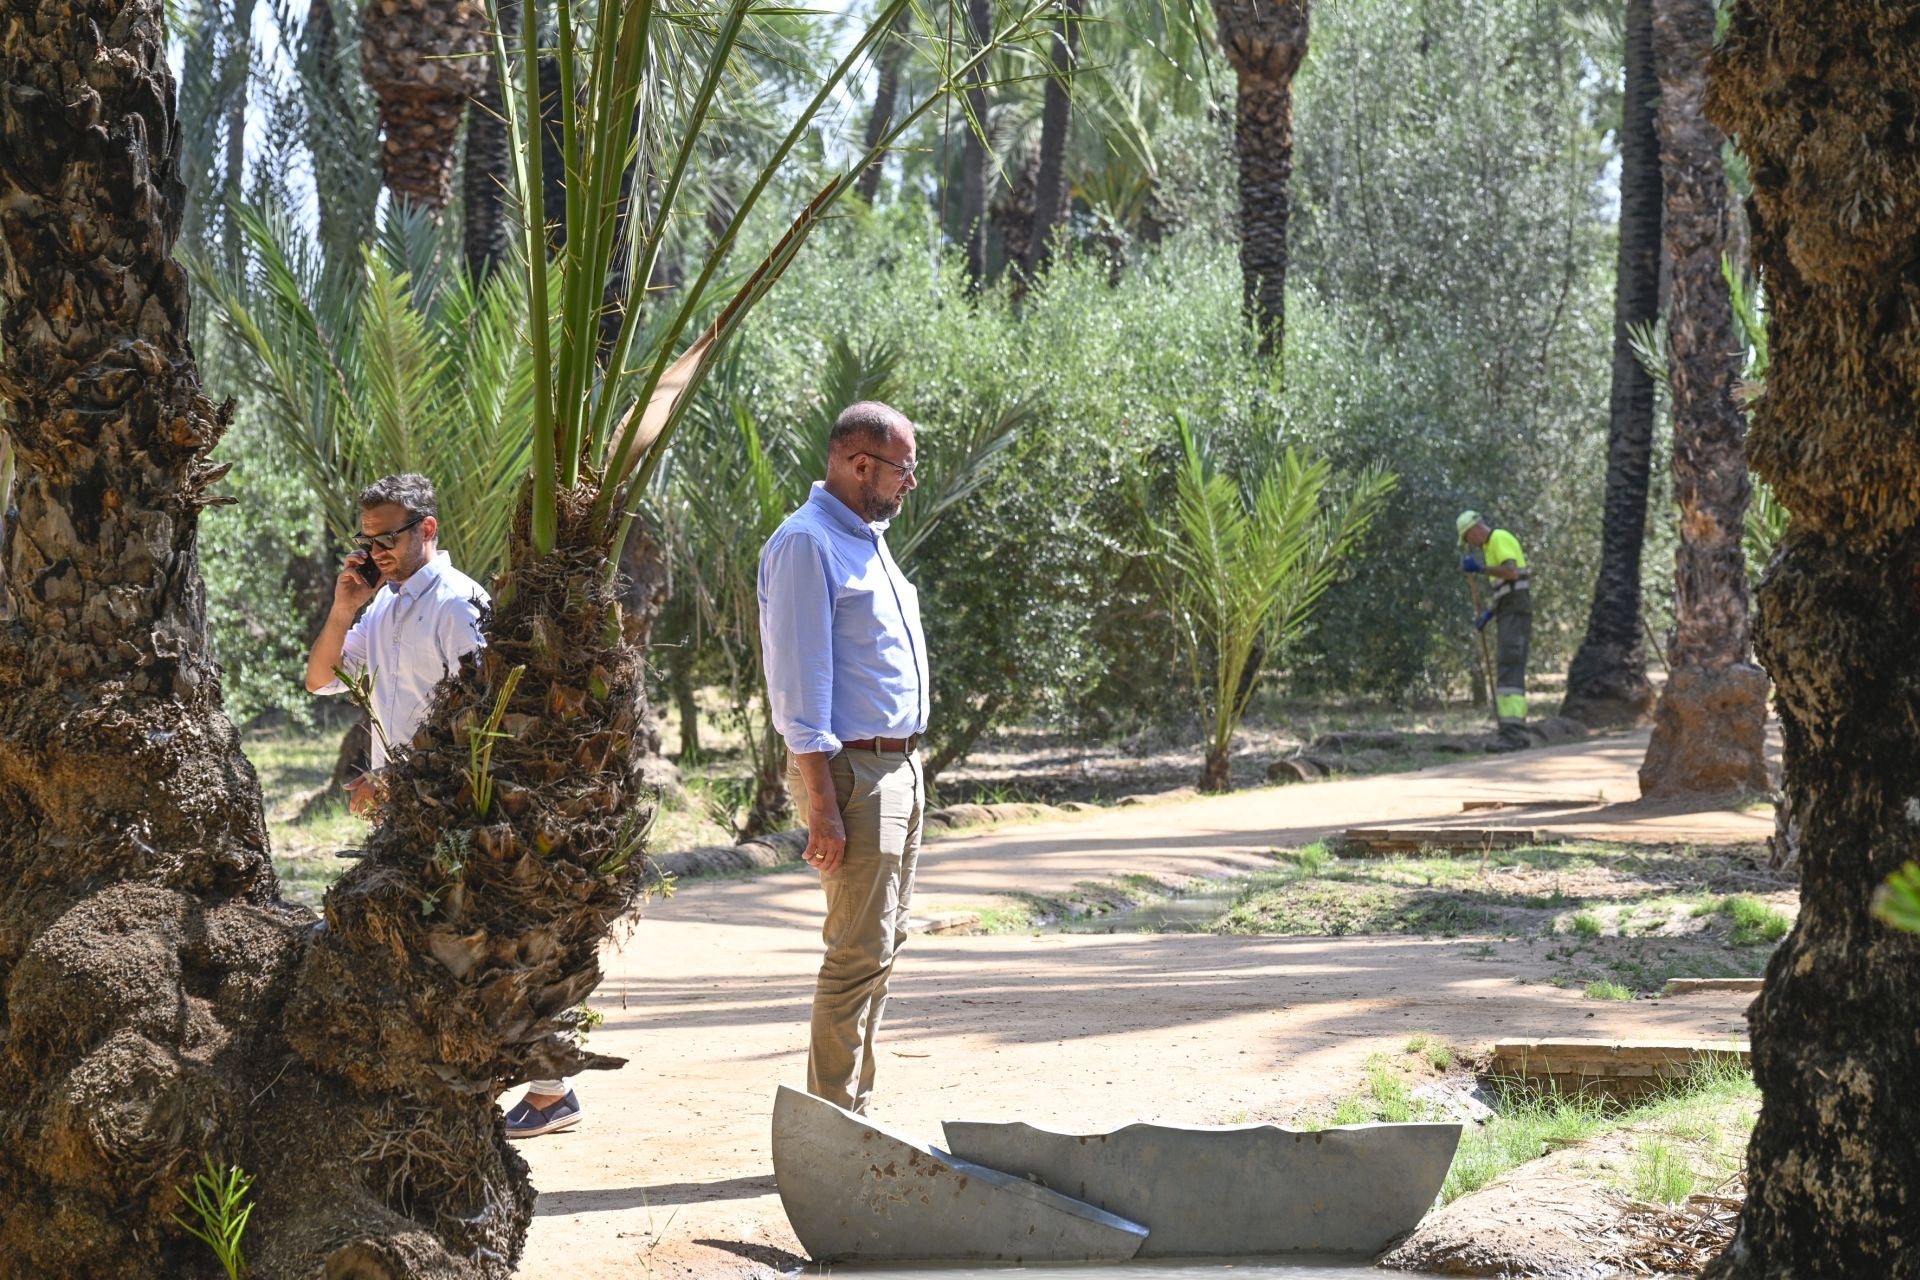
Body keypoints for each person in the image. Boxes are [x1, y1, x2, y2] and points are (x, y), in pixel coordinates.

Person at [303, 475, 578, 1137]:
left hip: (459, 808)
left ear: (426, 530)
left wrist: (398, 779)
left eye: (388, 538)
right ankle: (508, 1089)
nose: (376, 553)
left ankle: (547, 1089)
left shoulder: (457, 604)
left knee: (479, 951)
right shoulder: (385, 607)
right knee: (414, 948)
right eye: (366, 541)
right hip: (408, 809)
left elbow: (485, 713)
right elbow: (319, 678)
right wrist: (344, 608)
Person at [758, 401, 929, 1116]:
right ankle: (832, 1122)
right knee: (856, 955)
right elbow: (799, 687)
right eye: (903, 470)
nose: (908, 485)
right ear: (861, 465)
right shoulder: (807, 544)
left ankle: (855, 1111)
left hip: (900, 769)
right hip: (855, 776)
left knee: (881, 949)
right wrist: (821, 805)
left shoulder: (867, 537)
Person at [1457, 509, 1531, 752]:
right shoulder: (1490, 548)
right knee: (1507, 667)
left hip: (1516, 613)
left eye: (1467, 538)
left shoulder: (1498, 538)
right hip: (1508, 612)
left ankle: (1513, 732)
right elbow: (1505, 589)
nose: (1470, 544)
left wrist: (1479, 569)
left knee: (1509, 667)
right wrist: (1488, 615)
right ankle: (1511, 729)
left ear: (1474, 529)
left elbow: (1511, 572)